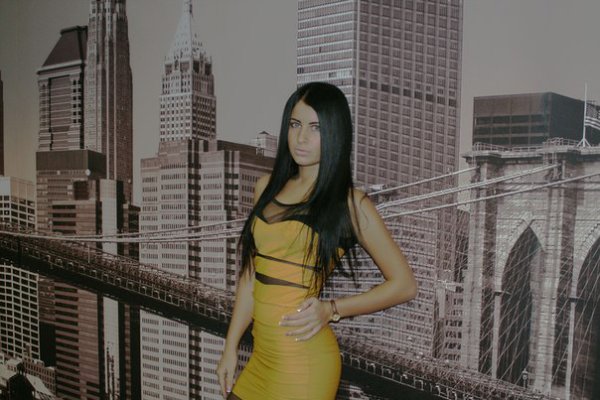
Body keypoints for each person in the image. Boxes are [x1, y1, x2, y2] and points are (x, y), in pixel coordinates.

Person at [216, 82, 417, 400]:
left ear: (335, 134)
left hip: (305, 366)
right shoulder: (265, 187)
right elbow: (251, 277)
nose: (301, 137)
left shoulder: (350, 204)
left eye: (316, 128)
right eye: (295, 124)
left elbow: (404, 285)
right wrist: (230, 347)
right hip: (260, 360)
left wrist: (332, 309)